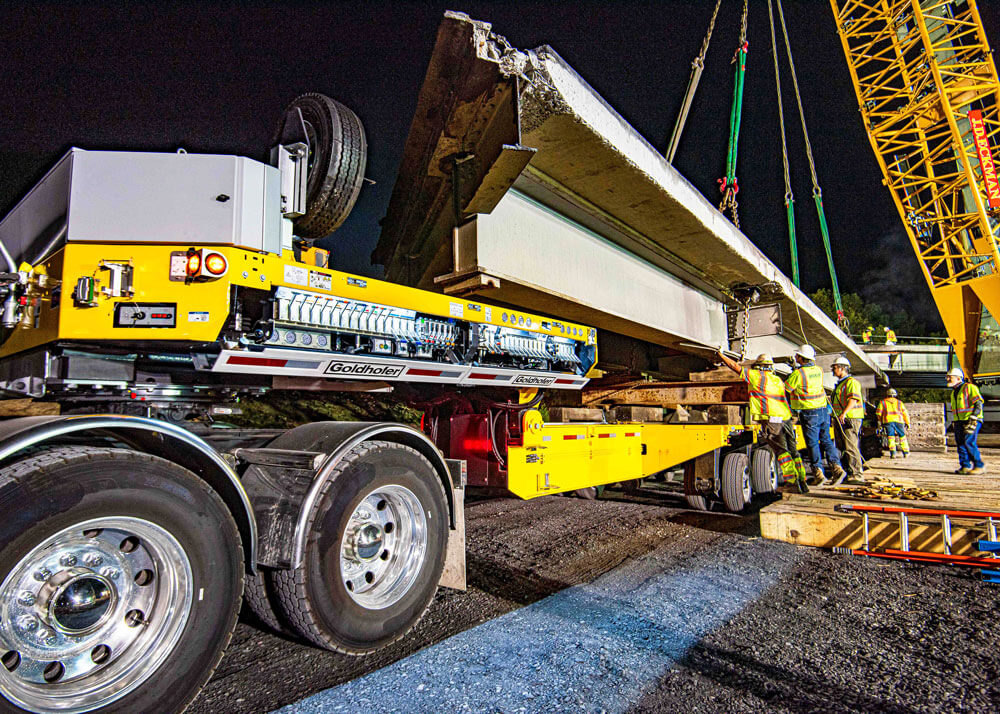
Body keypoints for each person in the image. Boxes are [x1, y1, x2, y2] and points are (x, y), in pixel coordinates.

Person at [717, 350, 808, 493]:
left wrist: (720, 355)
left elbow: (734, 366)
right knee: (793, 450)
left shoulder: (756, 377)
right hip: (785, 417)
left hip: (772, 419)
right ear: (771, 367)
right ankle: (802, 479)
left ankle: (792, 482)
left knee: (781, 451)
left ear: (758, 366)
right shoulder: (777, 380)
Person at [785, 344, 846, 485]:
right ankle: (837, 468)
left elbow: (786, 388)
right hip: (823, 410)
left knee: (812, 443)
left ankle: (818, 473)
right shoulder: (818, 370)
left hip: (809, 412)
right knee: (826, 440)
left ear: (801, 357)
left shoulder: (798, 374)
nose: (795, 357)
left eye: (797, 355)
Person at [831, 356, 865, 484]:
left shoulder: (851, 382)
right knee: (842, 447)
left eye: (834, 368)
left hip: (850, 418)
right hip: (842, 418)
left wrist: (844, 413)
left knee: (851, 446)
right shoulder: (841, 385)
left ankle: (857, 474)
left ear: (842, 368)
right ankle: (848, 472)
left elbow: (853, 399)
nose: (833, 371)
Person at [947, 367, 985, 475]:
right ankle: (965, 466)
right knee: (960, 443)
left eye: (950, 377)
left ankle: (979, 466)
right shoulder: (954, 392)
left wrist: (974, 416)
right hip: (959, 420)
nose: (948, 379)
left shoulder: (969, 388)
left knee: (969, 442)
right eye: (947, 377)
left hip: (971, 419)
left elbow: (978, 403)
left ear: (959, 378)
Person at [876, 388, 910, 458]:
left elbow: (878, 414)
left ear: (887, 395)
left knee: (891, 437)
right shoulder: (900, 403)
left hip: (888, 421)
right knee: (902, 436)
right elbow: (905, 413)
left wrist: (881, 422)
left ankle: (893, 453)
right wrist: (908, 423)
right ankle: (906, 452)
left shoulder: (883, 402)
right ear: (895, 395)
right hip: (899, 421)